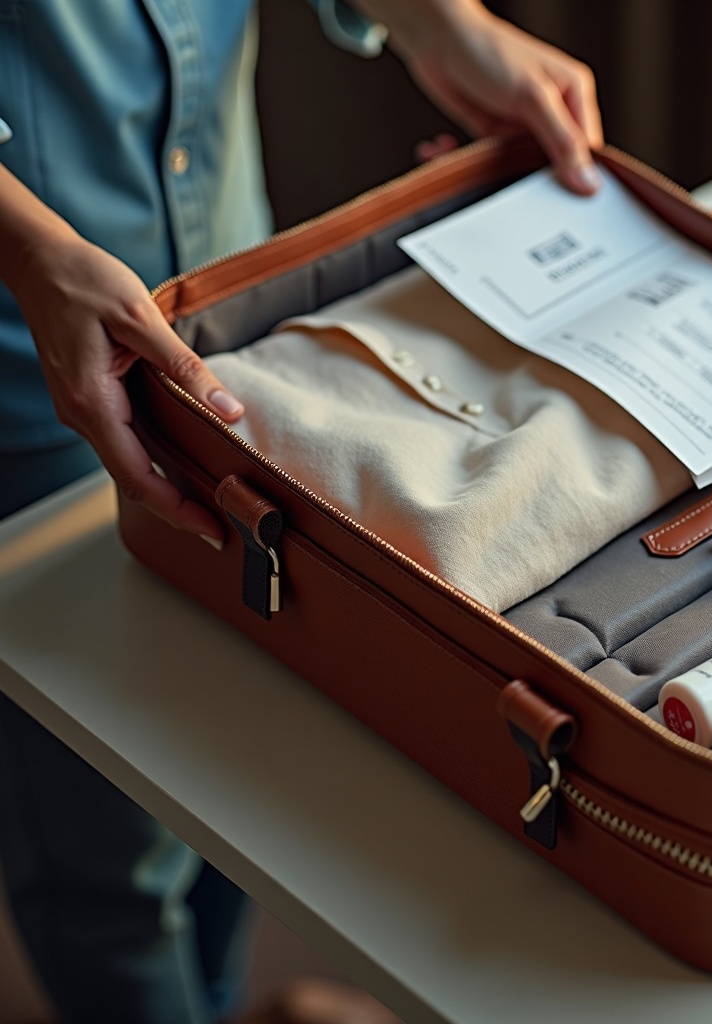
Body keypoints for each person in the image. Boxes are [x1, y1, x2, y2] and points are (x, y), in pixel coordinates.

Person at [0, 2, 602, 1020]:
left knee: (234, 766)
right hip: (27, 382)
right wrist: (26, 249)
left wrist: (437, 19)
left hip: (230, 298)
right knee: (100, 838)